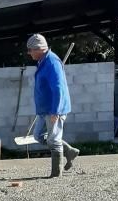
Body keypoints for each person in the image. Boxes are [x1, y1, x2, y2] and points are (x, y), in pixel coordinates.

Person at [26, 33, 80, 177]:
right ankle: (69, 151)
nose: (29, 53)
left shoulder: (52, 62)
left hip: (53, 109)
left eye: (30, 50)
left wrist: (56, 111)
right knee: (38, 136)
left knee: (54, 139)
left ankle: (56, 173)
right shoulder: (43, 61)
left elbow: (58, 88)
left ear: (38, 49)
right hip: (44, 110)